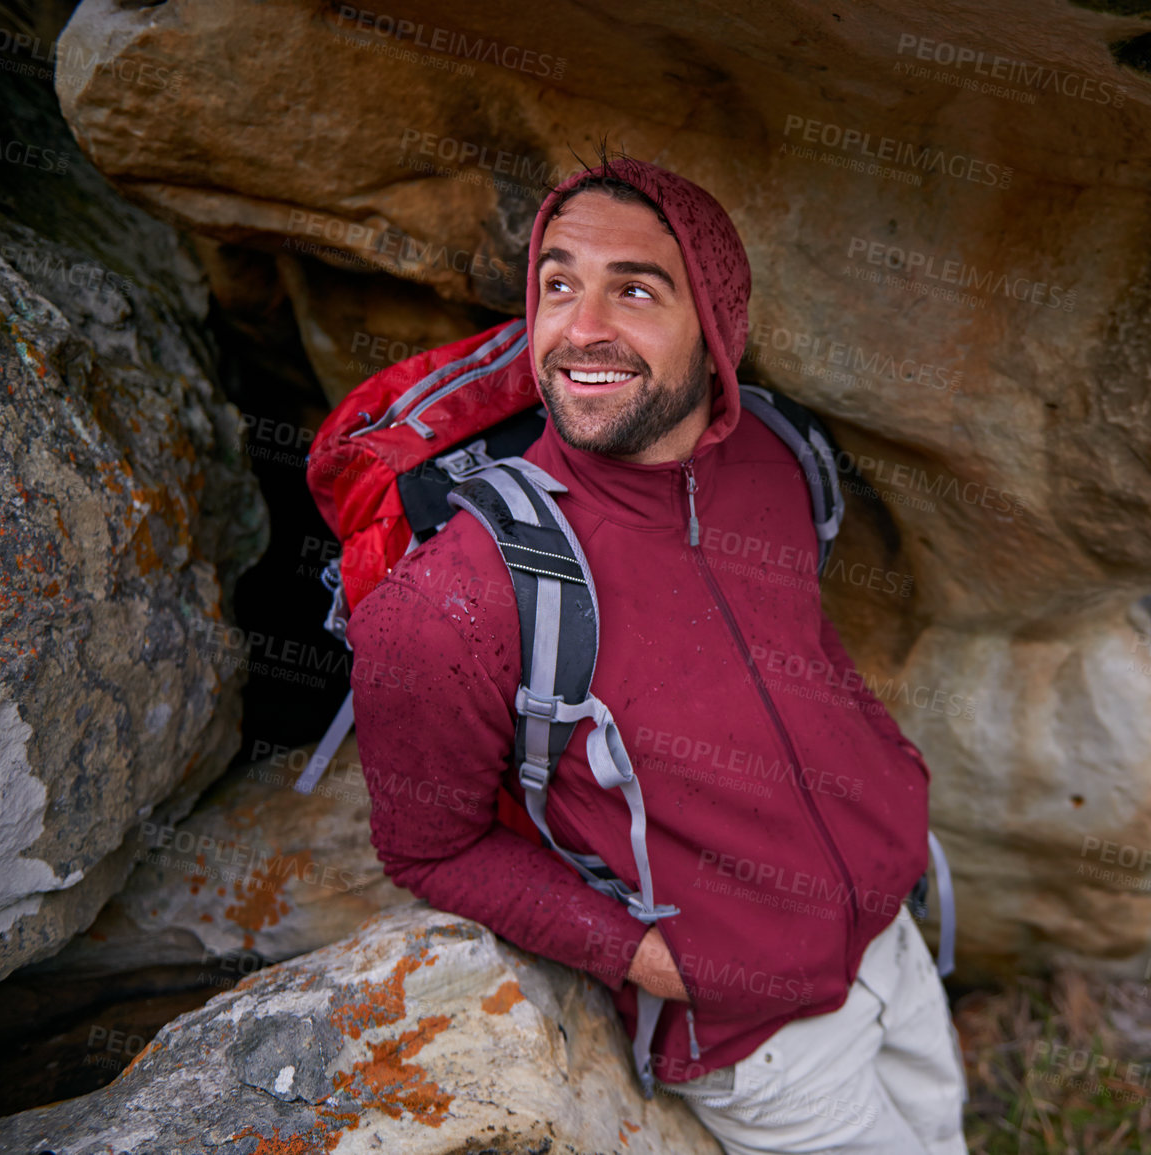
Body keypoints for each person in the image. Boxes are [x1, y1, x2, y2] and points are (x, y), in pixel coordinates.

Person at [348, 154, 968, 1154]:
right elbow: (427, 847)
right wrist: (649, 957)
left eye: (633, 288)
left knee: (944, 1130)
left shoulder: (775, 453)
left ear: (715, 324)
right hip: (756, 1035)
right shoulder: (457, 597)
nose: (580, 327)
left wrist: (891, 793)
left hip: (887, 930)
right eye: (557, 285)